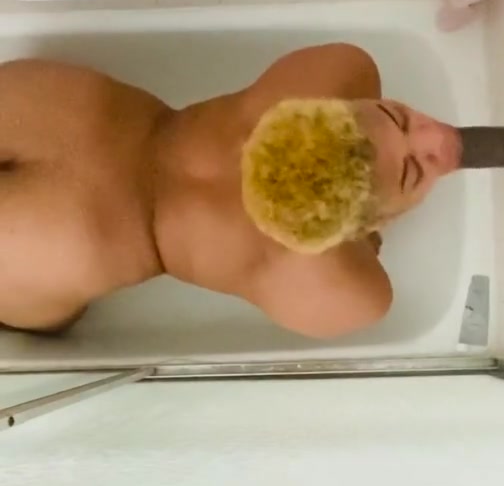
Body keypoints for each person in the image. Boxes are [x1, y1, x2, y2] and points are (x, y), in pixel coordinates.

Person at [0, 44, 460, 340]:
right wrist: (362, 236)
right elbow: (360, 269)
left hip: (46, 106)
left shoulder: (338, 71)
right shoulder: (331, 287)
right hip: (63, 243)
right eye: (398, 119)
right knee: (57, 323)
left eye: (414, 165)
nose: (436, 138)